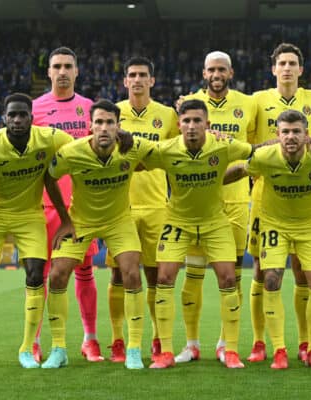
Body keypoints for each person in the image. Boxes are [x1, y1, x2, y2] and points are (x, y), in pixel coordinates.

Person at [224, 110, 311, 369]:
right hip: (275, 226)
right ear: (277, 135)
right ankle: (279, 349)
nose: (291, 136)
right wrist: (210, 181)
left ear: (306, 134)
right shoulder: (264, 157)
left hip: (310, 227)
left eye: (296, 131)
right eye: (285, 131)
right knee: (270, 279)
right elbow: (240, 170)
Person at [0, 93, 73, 369]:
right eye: (12, 115)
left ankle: (25, 350)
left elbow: (83, 146)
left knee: (35, 276)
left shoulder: (49, 139)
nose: (18, 120)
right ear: (4, 119)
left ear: (32, 118)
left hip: (30, 213)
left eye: (23, 115)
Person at [145, 99, 260, 369]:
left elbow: (256, 151)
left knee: (229, 277)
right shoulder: (165, 149)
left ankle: (230, 350)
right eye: (187, 121)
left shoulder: (223, 145)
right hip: (178, 222)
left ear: (208, 125)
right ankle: (167, 352)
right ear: (178, 125)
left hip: (214, 222)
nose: (192, 126)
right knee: (164, 277)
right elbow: (134, 157)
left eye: (198, 121)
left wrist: (292, 142)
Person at [42, 99, 150, 370]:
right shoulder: (71, 152)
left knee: (132, 272)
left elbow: (163, 154)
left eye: (110, 122)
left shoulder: (131, 148)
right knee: (56, 274)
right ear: (90, 126)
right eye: (99, 122)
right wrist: (65, 218)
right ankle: (58, 348)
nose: (104, 127)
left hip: (118, 220)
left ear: (118, 126)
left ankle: (134, 348)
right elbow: (49, 177)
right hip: (81, 221)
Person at [174, 51, 257, 364]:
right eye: (211, 69)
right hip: (198, 202)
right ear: (203, 72)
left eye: (222, 69)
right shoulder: (187, 104)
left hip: (236, 201)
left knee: (231, 277)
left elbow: (258, 148)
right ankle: (192, 344)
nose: (216, 74)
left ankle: (225, 343)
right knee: (192, 275)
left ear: (231, 72)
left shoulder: (249, 104)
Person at [249, 43, 311, 364]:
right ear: (273, 69)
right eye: (282, 63)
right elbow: (246, 143)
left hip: (303, 199)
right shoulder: (258, 100)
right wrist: (273, 144)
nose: (287, 68)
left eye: (293, 63)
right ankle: (259, 342)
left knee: (303, 272)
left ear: (301, 69)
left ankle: (307, 343)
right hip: (265, 197)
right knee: (261, 271)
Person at [32, 46, 102, 363]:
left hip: (81, 208)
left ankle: (90, 340)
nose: (62, 71)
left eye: (67, 66)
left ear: (77, 71)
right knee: (38, 274)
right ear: (49, 72)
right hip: (44, 206)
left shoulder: (89, 109)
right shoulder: (33, 110)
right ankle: (33, 341)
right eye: (56, 66)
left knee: (85, 272)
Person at [108, 56, 178, 363]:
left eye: (143, 75)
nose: (137, 80)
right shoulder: (112, 114)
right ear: (125, 81)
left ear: (152, 80)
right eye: (132, 75)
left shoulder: (168, 115)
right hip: (120, 207)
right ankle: (118, 340)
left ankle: (157, 339)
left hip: (156, 206)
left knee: (155, 275)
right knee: (118, 276)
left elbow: (179, 157)